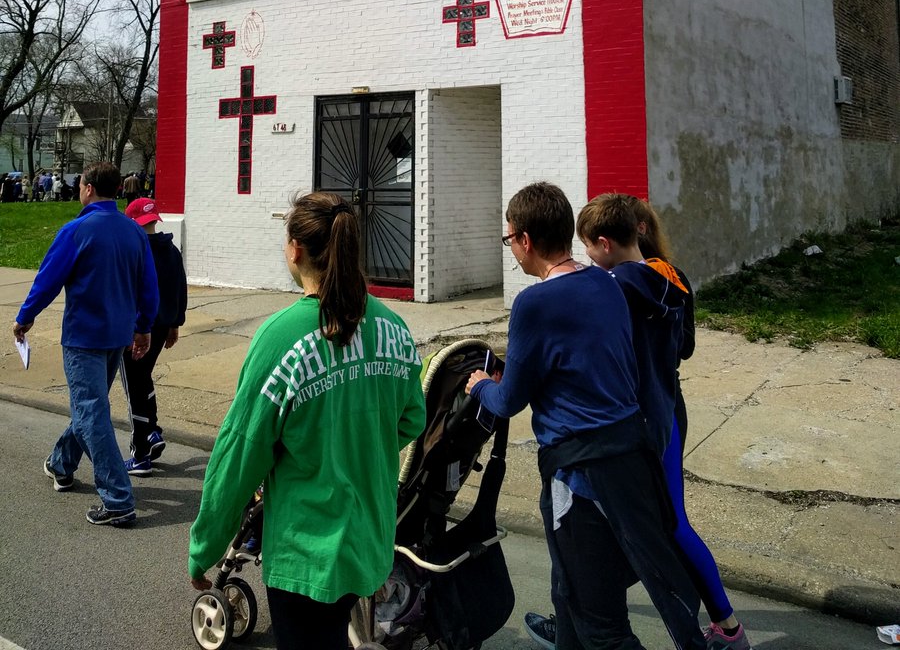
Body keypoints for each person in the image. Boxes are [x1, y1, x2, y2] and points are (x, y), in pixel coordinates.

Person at [467, 182, 706, 650]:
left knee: (603, 629)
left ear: (525, 241)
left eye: (509, 238)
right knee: (570, 591)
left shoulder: (533, 303)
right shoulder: (605, 281)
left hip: (581, 477)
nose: (511, 247)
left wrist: (481, 388)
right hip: (632, 461)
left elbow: (510, 400)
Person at [188, 190, 426, 650]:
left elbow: (240, 454)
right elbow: (411, 418)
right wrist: (356, 445)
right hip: (368, 538)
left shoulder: (281, 338)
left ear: (295, 250)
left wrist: (205, 548)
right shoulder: (394, 328)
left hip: (306, 551)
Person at [527, 196, 752, 650]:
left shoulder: (611, 285)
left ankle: (726, 629)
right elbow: (685, 349)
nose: (585, 255)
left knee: (652, 526)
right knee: (646, 524)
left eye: (588, 246)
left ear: (605, 243)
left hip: (633, 421)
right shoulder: (672, 276)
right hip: (669, 406)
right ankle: (576, 620)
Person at [13, 161, 159, 527]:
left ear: (89, 188)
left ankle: (118, 498)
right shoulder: (134, 232)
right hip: (118, 335)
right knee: (89, 406)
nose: (79, 189)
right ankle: (61, 464)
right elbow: (148, 286)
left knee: (91, 411)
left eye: (80, 184)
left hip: (84, 336)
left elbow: (48, 278)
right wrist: (143, 328)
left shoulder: (77, 230)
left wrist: (25, 317)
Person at [120, 197, 188, 474]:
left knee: (134, 385)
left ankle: (140, 453)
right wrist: (175, 323)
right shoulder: (170, 249)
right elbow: (180, 289)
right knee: (143, 376)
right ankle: (152, 431)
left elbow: (131, 292)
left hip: (138, 328)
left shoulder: (135, 252)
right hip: (162, 326)